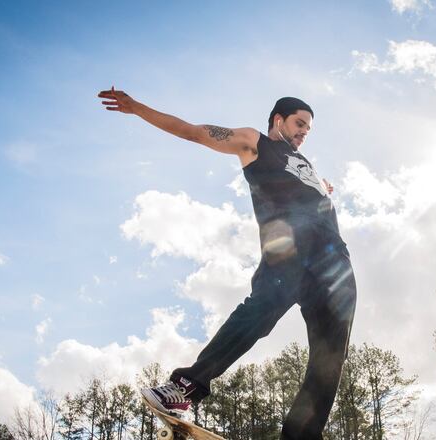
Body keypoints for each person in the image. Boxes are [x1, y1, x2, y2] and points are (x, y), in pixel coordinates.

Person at [98, 87, 357, 439]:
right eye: (299, 123)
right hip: (290, 252)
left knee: (330, 357)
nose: (304, 132)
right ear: (278, 120)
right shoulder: (255, 143)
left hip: (334, 264)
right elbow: (192, 131)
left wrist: (320, 187)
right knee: (259, 313)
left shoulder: (307, 165)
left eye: (309, 128)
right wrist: (138, 108)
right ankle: (185, 388)